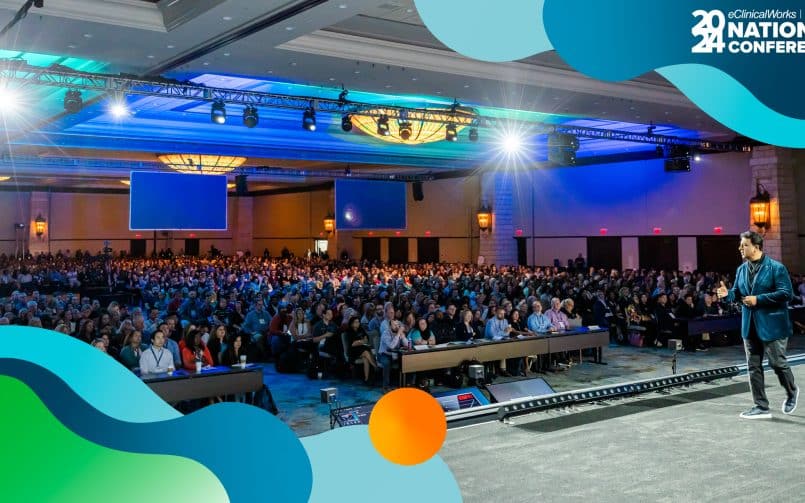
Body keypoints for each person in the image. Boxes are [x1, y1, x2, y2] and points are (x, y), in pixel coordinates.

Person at [717, 230, 798, 419]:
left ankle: (792, 391)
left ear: (756, 247)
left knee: (777, 363)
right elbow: (737, 293)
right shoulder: (741, 270)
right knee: (753, 366)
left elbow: (786, 293)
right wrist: (726, 294)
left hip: (773, 325)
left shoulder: (776, 268)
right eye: (740, 245)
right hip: (749, 325)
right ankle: (761, 406)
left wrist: (758, 299)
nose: (740, 248)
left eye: (744, 245)